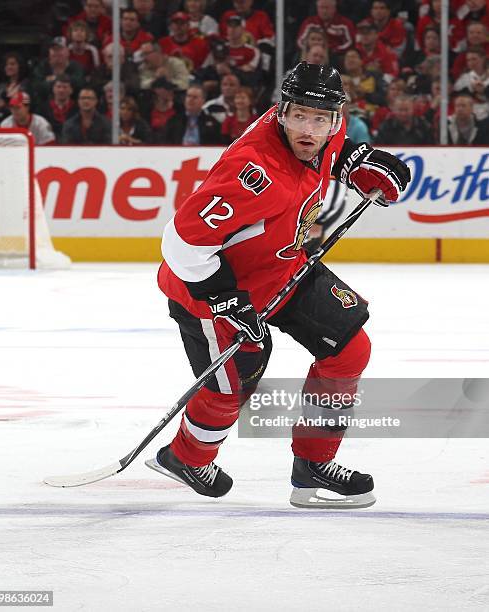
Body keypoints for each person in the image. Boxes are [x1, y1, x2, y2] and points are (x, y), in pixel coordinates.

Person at [147, 62, 410, 507]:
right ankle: (186, 456)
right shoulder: (253, 172)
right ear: (281, 112)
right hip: (210, 289)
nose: (310, 129)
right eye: (300, 116)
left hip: (282, 266)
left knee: (349, 349)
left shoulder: (324, 129)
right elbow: (182, 242)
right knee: (237, 378)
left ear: (335, 118)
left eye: (321, 119)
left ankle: (313, 463)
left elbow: (333, 150)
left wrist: (355, 164)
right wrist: (226, 300)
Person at [31, 37, 85, 103]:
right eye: (54, 49)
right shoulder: (41, 67)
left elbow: (78, 85)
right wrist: (65, 82)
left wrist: (54, 79)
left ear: (67, 52)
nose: (57, 53)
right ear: (49, 52)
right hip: (44, 106)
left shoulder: (76, 67)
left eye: (60, 49)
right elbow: (38, 87)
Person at [0, 52, 30, 125]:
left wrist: (4, 105)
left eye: (12, 64)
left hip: (17, 124)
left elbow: (26, 105)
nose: (8, 67)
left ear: (20, 66)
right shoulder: (0, 86)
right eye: (6, 65)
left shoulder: (26, 85)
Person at [39, 74, 78, 140]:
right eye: (58, 87)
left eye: (65, 87)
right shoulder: (43, 109)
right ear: (53, 89)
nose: (61, 90)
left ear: (71, 90)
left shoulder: (77, 109)